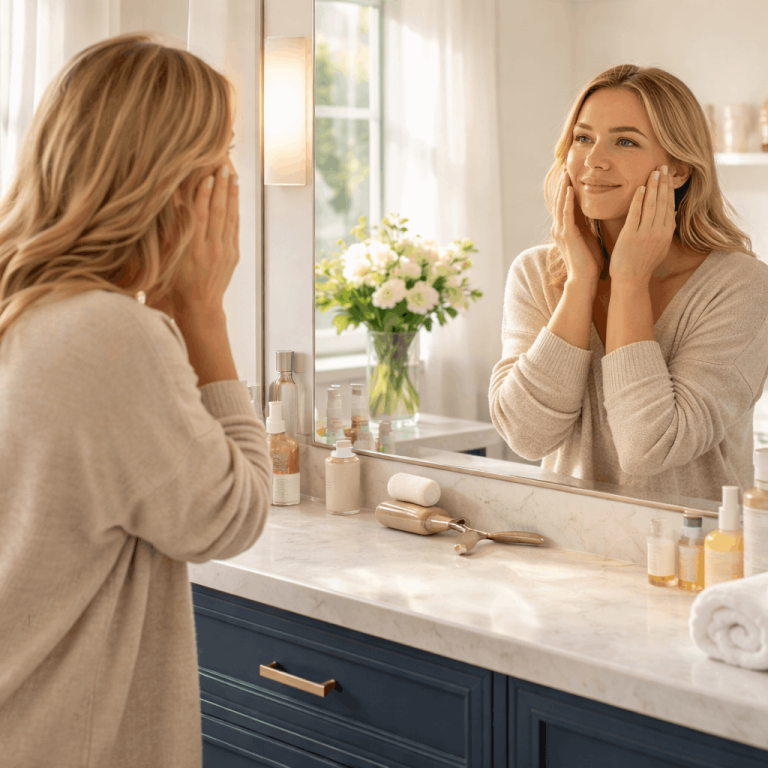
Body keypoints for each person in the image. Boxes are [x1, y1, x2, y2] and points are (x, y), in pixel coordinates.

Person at [0, 32, 272, 767]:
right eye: (223, 156)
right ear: (178, 182)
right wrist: (203, 312)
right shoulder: (108, 334)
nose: (231, 181)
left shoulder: (24, 307)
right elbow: (232, 516)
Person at [489, 64, 768, 503]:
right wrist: (580, 282)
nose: (593, 160)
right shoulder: (536, 274)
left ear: (678, 169)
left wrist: (629, 282)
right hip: (562, 539)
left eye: (625, 141)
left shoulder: (740, 286)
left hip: (694, 544)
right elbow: (526, 436)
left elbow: (648, 446)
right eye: (583, 138)